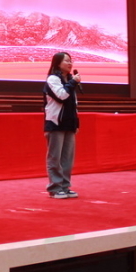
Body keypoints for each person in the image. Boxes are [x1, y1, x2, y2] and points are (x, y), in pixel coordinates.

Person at [43, 52, 81, 199]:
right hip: (55, 123)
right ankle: (55, 188)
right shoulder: (53, 79)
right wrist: (73, 83)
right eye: (66, 61)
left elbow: (73, 104)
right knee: (55, 157)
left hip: (69, 123)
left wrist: (76, 123)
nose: (70, 63)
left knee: (67, 158)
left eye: (71, 61)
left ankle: (64, 186)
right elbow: (62, 96)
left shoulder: (69, 80)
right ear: (57, 63)